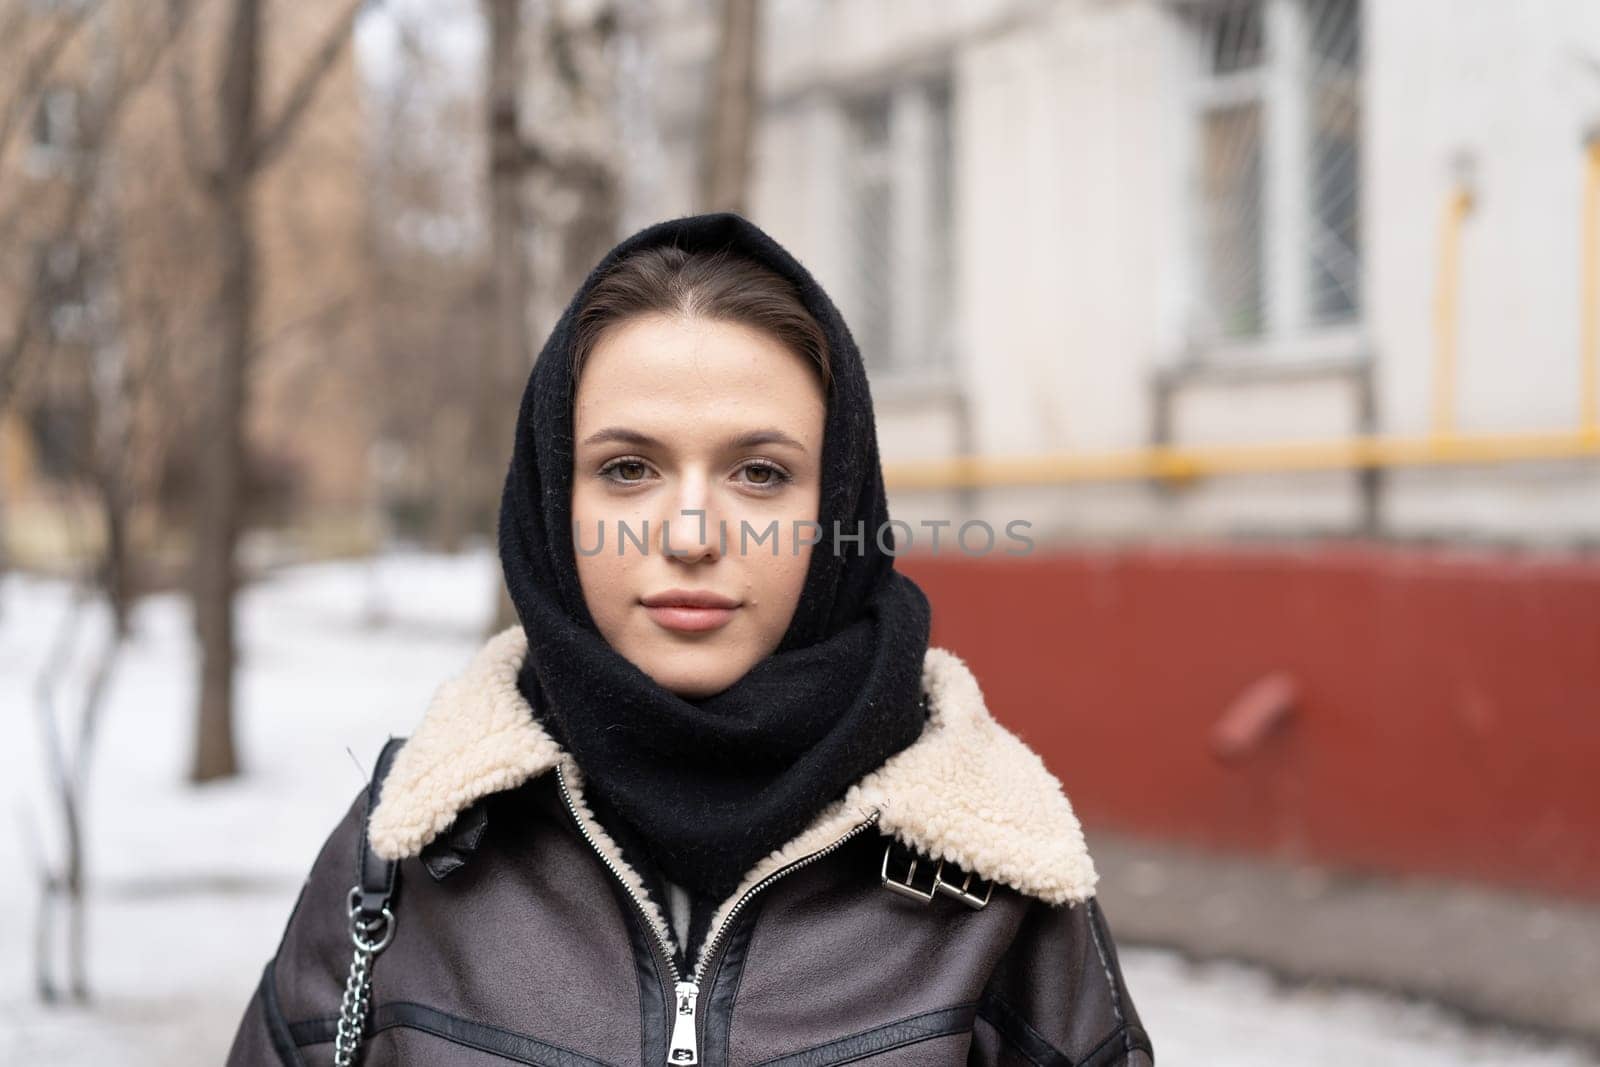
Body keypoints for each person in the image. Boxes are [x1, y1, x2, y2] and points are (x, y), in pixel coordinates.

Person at [225, 212, 1154, 1066]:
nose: (692, 533)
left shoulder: (995, 877)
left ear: (836, 504)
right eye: (628, 468)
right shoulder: (407, 850)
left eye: (759, 472)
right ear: (555, 500)